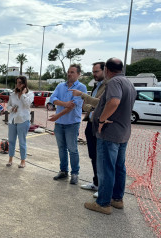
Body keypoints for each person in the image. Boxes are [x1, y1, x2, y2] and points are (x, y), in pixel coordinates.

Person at [84, 58, 136, 215]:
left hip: (110, 134)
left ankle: (103, 203)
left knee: (106, 168)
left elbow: (113, 102)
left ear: (107, 69)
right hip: (123, 133)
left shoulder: (114, 82)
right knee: (119, 167)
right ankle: (117, 199)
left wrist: (101, 119)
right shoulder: (129, 83)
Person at [70, 62, 108, 198]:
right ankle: (96, 183)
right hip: (91, 123)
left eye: (96, 71)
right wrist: (89, 104)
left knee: (101, 158)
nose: (94, 74)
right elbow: (87, 106)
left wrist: (83, 96)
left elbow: (99, 104)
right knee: (93, 156)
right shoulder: (96, 86)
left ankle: (103, 187)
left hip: (100, 125)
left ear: (105, 70)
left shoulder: (108, 85)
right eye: (93, 71)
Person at [49, 64, 87, 185]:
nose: (69, 74)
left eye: (72, 72)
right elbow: (52, 98)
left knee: (72, 149)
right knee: (61, 148)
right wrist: (64, 103)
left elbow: (73, 106)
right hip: (60, 124)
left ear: (78, 74)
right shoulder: (60, 86)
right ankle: (63, 171)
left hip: (72, 123)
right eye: (68, 72)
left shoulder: (81, 87)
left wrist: (57, 115)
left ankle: (75, 173)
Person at [6, 76, 34, 168]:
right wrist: (11, 109)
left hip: (23, 120)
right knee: (11, 140)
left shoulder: (30, 94)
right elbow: (8, 106)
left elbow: (27, 105)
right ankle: (10, 159)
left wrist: (23, 94)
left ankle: (23, 161)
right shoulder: (12, 95)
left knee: (22, 141)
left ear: (24, 84)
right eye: (17, 82)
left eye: (20, 83)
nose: (18, 85)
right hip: (13, 120)